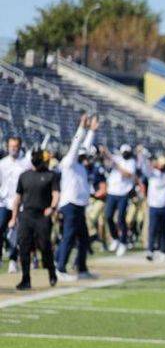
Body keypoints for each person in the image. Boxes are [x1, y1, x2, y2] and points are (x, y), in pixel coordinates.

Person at [54, 114, 98, 280]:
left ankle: (82, 268)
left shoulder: (79, 165)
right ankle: (60, 269)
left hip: (79, 206)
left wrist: (92, 131)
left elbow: (84, 146)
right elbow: (77, 144)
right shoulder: (69, 162)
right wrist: (82, 127)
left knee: (84, 239)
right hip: (70, 205)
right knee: (69, 237)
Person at [9, 147, 59, 290]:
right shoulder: (24, 176)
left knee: (45, 247)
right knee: (24, 247)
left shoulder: (50, 175)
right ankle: (25, 279)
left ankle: (51, 272)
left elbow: (56, 194)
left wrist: (52, 207)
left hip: (42, 216)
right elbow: (17, 199)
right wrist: (13, 218)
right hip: (26, 215)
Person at [1, 135, 34, 274]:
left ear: (20, 146)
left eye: (15, 146)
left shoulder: (26, 163)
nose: (13, 149)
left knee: (17, 233)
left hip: (20, 203)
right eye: (11, 146)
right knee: (1, 227)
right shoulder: (2, 163)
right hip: (3, 201)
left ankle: (14, 259)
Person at [104, 143, 138, 256]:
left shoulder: (131, 162)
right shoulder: (117, 159)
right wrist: (104, 151)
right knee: (108, 216)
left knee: (121, 218)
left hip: (123, 193)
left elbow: (128, 174)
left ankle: (123, 242)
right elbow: (108, 157)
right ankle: (115, 238)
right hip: (112, 192)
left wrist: (117, 166)